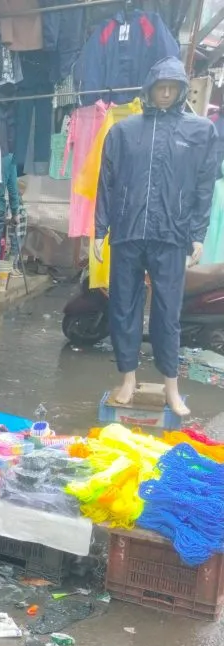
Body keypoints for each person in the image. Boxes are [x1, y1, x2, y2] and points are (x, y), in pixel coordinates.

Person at [94, 56, 217, 417]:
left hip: (171, 234)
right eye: (159, 87)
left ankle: (171, 387)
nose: (164, 93)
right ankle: (128, 379)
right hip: (128, 231)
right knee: (123, 307)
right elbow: (106, 182)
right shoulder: (123, 131)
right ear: (148, 89)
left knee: (167, 311)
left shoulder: (199, 132)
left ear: (181, 91)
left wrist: (197, 233)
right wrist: (100, 229)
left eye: (171, 88)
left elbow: (204, 184)